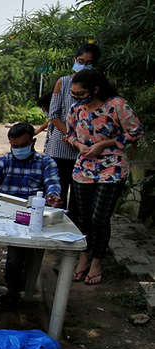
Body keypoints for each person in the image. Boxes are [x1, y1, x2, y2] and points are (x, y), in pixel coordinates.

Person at [67, 69, 143, 286]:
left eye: (80, 94)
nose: (76, 97)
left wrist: (104, 144)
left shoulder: (117, 105)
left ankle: (97, 261)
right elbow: (70, 134)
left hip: (112, 169)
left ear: (95, 90)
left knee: (99, 218)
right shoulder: (75, 109)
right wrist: (78, 144)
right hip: (83, 168)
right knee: (82, 217)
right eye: (74, 93)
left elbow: (136, 131)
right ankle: (83, 256)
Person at [0, 123, 62, 308]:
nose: (17, 150)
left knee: (16, 255)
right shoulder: (4, 161)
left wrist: (53, 196)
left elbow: (53, 185)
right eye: (14, 146)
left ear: (32, 142)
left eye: (22, 146)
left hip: (28, 217)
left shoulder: (46, 163)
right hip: (2, 213)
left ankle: (13, 293)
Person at [47, 43, 101, 209]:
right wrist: (72, 137)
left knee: (80, 201)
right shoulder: (62, 83)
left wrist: (82, 142)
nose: (83, 65)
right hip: (60, 147)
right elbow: (53, 115)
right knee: (57, 196)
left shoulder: (99, 88)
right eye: (80, 60)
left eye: (88, 63)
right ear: (74, 60)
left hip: (86, 151)